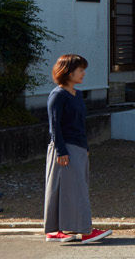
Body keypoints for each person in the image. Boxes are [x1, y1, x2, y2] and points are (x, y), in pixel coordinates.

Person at [43, 54, 111, 244]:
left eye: (83, 70)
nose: (83, 73)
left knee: (71, 189)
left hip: (78, 147)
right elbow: (54, 126)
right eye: (80, 70)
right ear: (68, 71)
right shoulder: (57, 95)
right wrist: (61, 150)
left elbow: (79, 124)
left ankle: (59, 230)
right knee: (74, 189)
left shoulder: (77, 94)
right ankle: (85, 231)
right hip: (64, 148)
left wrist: (85, 147)